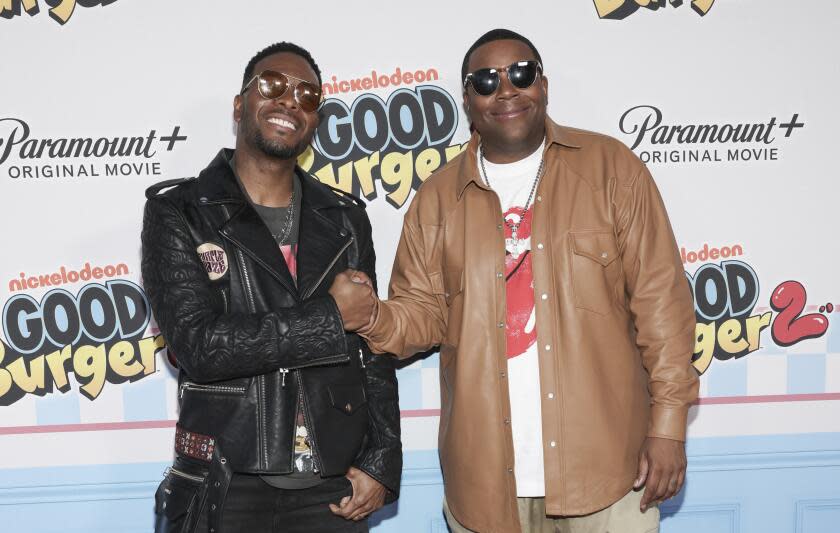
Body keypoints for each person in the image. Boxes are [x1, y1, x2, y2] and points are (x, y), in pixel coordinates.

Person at [351, 29, 698, 532]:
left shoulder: (611, 170)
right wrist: (372, 317)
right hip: (486, 484)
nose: (506, 90)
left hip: (609, 473)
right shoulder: (437, 199)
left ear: (544, 84)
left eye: (521, 73)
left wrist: (669, 426)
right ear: (467, 100)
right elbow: (422, 317)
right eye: (486, 81)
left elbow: (662, 305)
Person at [142, 42, 401, 533]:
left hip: (331, 485)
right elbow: (199, 346)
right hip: (224, 478)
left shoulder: (344, 219)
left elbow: (372, 347)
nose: (289, 101)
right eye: (272, 85)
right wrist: (329, 317)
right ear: (240, 105)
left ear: (315, 121)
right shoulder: (181, 213)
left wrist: (382, 458)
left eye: (307, 95)